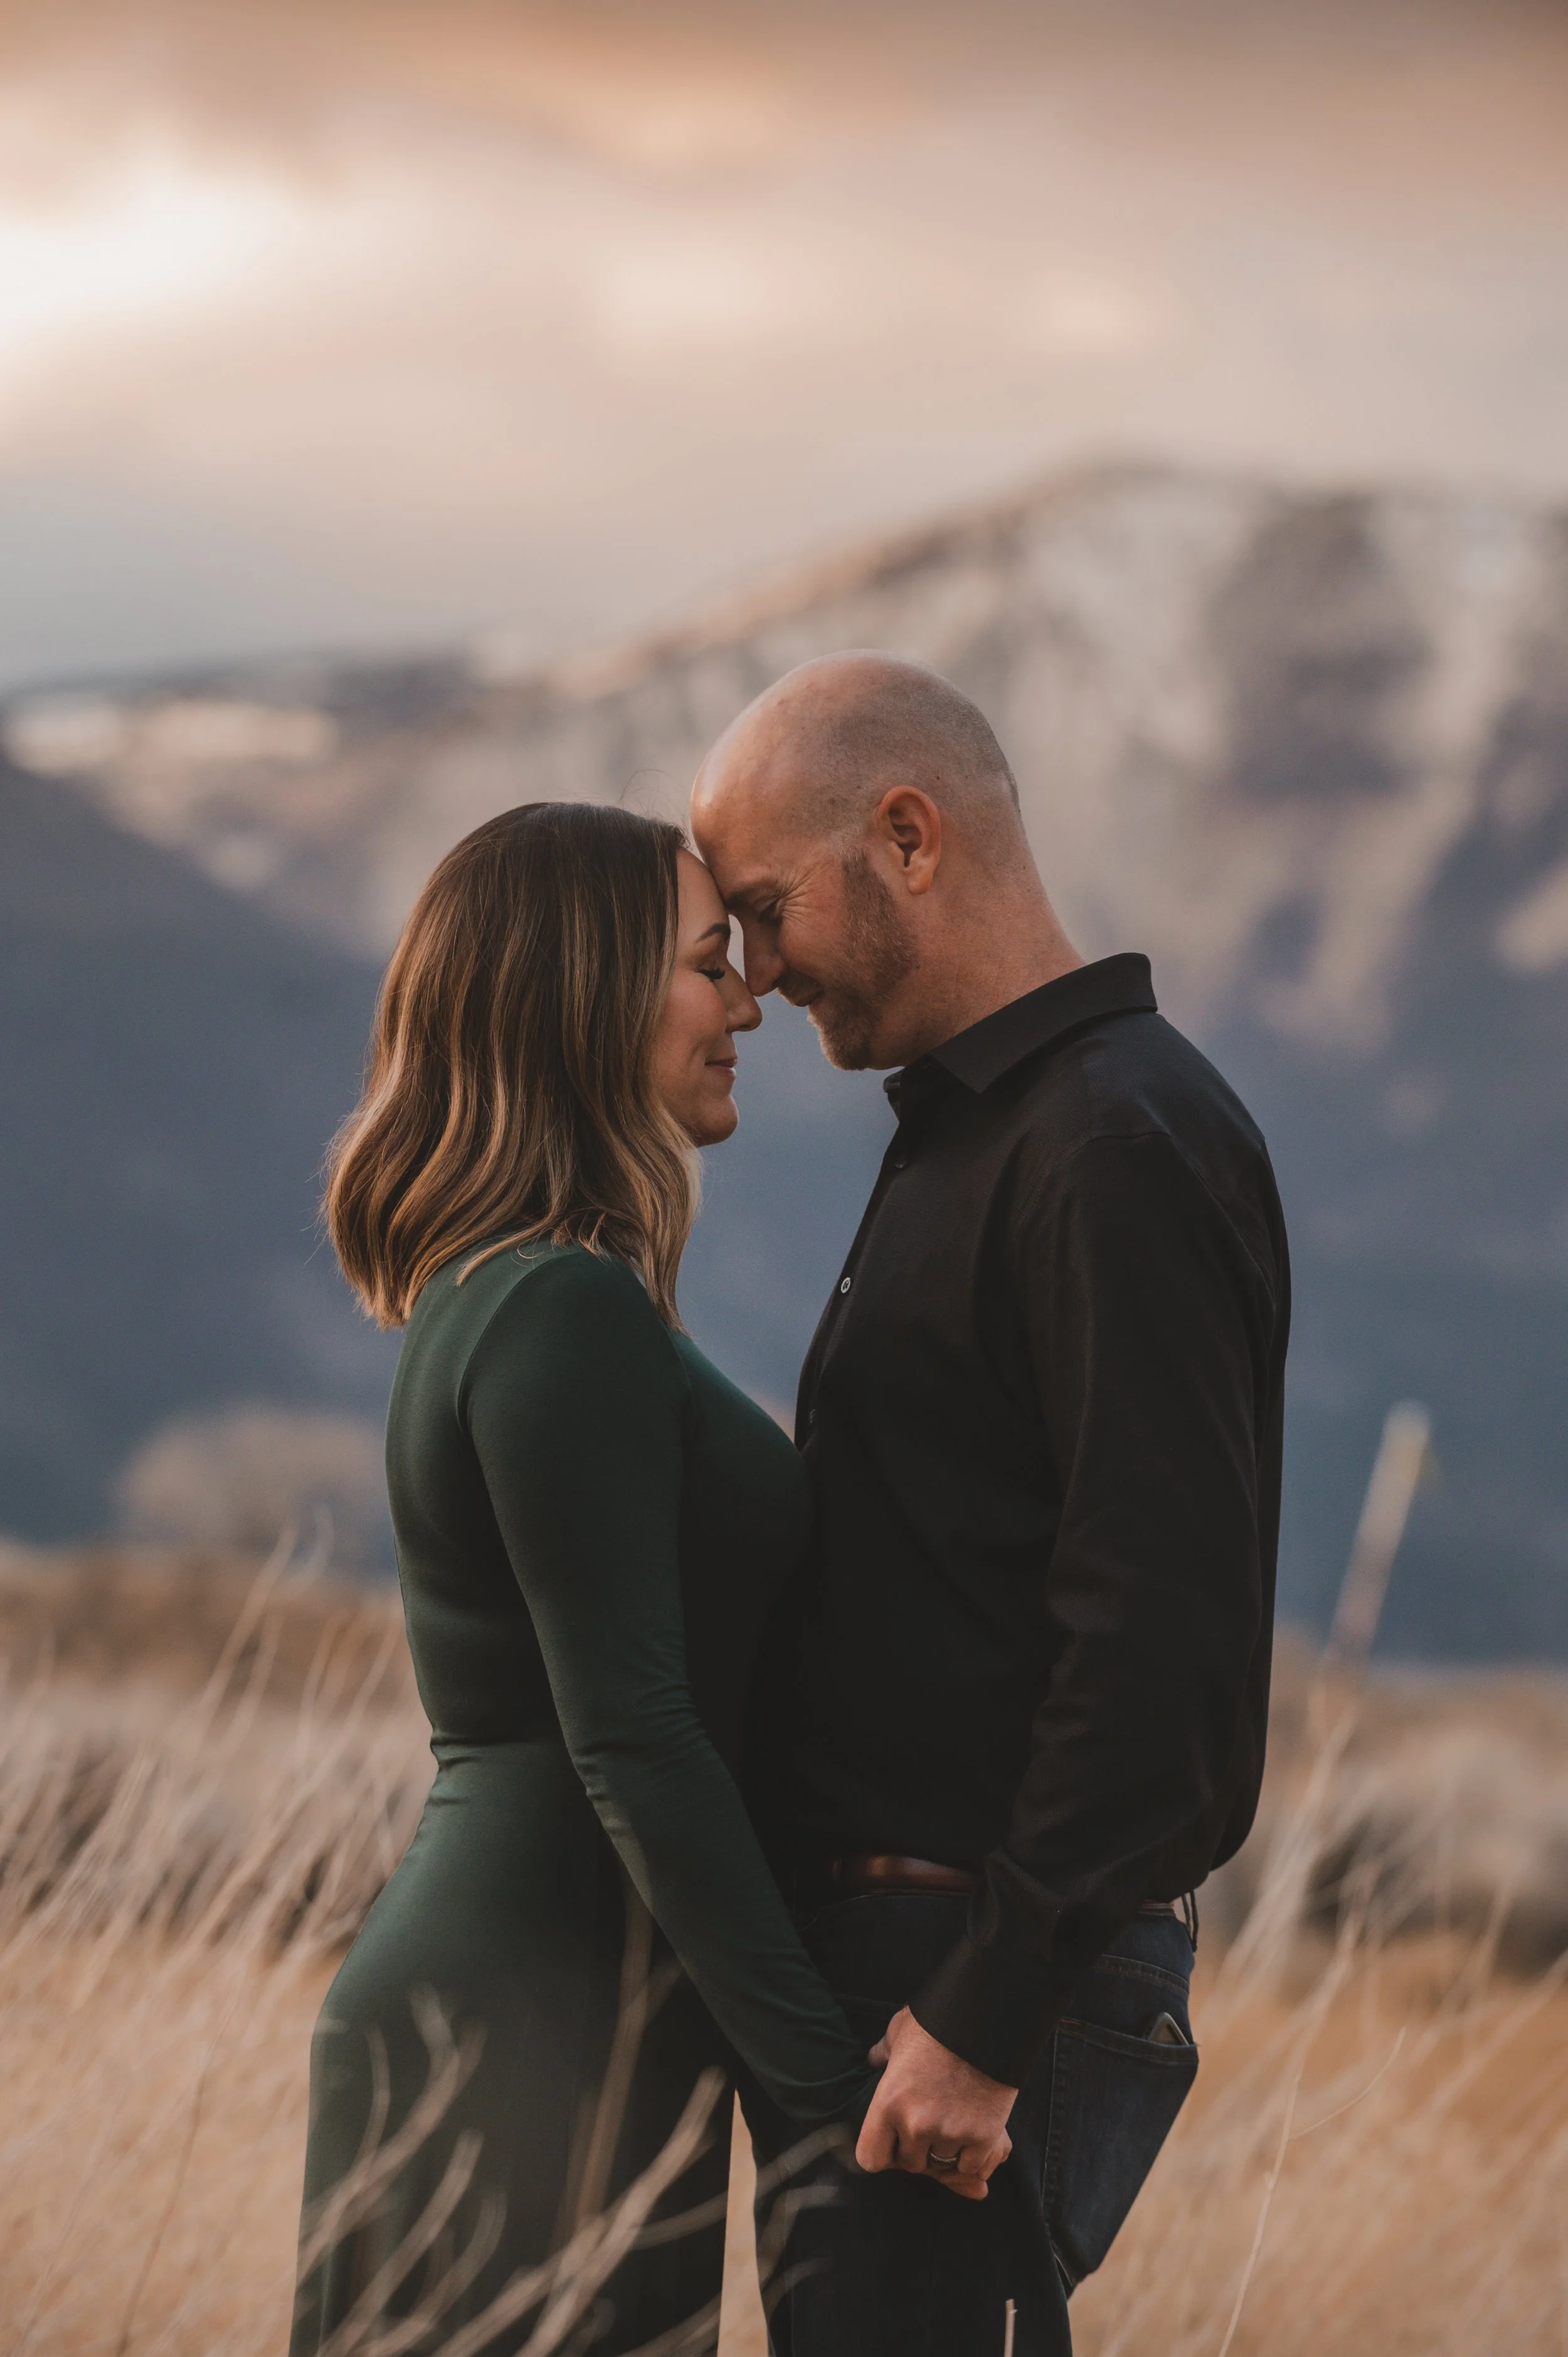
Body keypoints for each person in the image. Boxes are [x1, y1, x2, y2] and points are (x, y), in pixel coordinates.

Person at [691, 653, 1291, 2357]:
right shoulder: (977, 1130)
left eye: (760, 907)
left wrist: (982, 2011)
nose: (752, 970)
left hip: (958, 1976)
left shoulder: (1112, 1141)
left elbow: (1161, 1648)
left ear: (905, 833)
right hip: (907, 1963)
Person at [289, 802, 883, 2356]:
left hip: (564, 2007)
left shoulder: (518, 1289)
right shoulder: (556, 1307)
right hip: (528, 2027)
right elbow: (633, 1737)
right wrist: (832, 2096)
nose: (747, 1000)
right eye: (706, 964)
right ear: (585, 996)